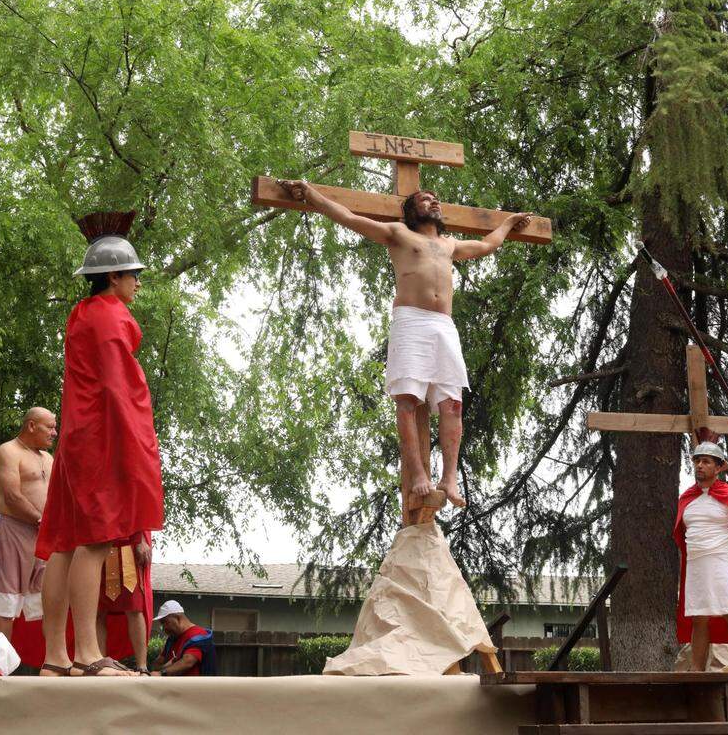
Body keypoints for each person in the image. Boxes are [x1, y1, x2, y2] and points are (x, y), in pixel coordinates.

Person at [276, 180, 531, 517]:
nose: (433, 201)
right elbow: (349, 218)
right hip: (411, 321)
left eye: (435, 198)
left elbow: (487, 245)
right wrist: (310, 194)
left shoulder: (450, 245)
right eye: (425, 199)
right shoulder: (399, 233)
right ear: (412, 210)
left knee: (453, 404)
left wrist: (509, 223)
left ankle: (449, 478)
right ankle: (419, 474)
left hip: (444, 326)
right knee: (408, 400)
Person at [35, 214, 164, 677]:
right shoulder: (110, 317)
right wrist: (138, 449)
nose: (137, 283)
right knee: (95, 542)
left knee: (65, 543)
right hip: (102, 439)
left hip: (75, 438)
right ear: (112, 276)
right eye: (134, 274)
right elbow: (117, 390)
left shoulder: (81, 314)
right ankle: (89, 654)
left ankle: (55, 656)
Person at [673, 433, 728, 670]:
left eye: (707, 461)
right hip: (696, 564)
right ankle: (697, 671)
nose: (700, 465)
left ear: (719, 467)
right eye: (697, 460)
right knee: (699, 618)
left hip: (723, 561)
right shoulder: (687, 497)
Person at [0, 407, 56, 641]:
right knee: (6, 603)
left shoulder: (48, 458)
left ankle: (53, 663)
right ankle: (1, 669)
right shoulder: (8, 451)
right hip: (14, 530)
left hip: (45, 536)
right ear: (32, 425)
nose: (54, 432)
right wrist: (40, 520)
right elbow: (12, 496)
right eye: (50, 427)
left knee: (49, 601)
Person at [96, 532, 154, 674]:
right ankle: (100, 664)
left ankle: (142, 666)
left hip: (128, 541)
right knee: (97, 611)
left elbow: (141, 509)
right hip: (97, 542)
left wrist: (140, 539)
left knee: (134, 607)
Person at [152, 600, 216, 676]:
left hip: (196, 687)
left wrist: (162, 673)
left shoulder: (197, 635)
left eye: (165, 622)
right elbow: (156, 664)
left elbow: (188, 662)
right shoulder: (172, 639)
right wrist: (166, 666)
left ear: (177, 618)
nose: (164, 627)